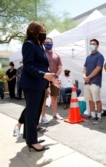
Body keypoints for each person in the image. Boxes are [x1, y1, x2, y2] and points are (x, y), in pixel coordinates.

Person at [19, 21, 59, 151]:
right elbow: (28, 65)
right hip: (32, 84)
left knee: (35, 112)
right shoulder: (29, 44)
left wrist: (49, 78)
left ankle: (29, 137)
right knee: (32, 112)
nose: (44, 33)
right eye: (42, 31)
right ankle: (32, 141)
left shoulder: (39, 46)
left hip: (40, 84)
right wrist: (44, 74)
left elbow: (42, 65)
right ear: (34, 31)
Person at [40, 37, 63, 123]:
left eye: (49, 42)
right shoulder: (41, 54)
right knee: (44, 98)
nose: (47, 44)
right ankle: (43, 116)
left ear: (52, 43)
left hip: (55, 79)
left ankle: (55, 113)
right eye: (45, 43)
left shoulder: (57, 55)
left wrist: (55, 77)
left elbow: (60, 68)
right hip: (44, 79)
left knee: (54, 97)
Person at [83, 39, 104, 124]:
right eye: (91, 44)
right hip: (87, 82)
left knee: (97, 100)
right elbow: (85, 68)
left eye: (94, 44)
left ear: (97, 45)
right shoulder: (88, 57)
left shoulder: (100, 56)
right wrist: (84, 76)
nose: (92, 45)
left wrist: (89, 77)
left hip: (95, 82)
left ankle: (98, 115)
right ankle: (92, 115)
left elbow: (98, 68)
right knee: (90, 100)